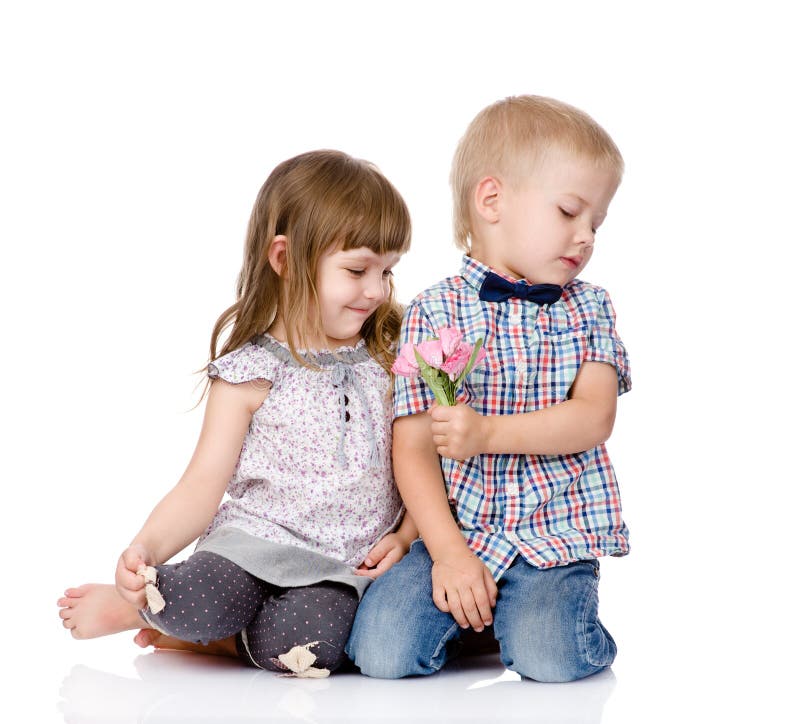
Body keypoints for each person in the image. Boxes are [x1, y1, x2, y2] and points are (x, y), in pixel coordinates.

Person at [58, 149, 417, 675]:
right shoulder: (249, 373)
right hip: (250, 549)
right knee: (199, 597)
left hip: (340, 566)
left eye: (387, 271)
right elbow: (202, 484)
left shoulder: (392, 358)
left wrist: (406, 535)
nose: (377, 290)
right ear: (286, 260)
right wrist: (144, 551)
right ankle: (142, 603)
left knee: (315, 645)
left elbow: (425, 465)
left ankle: (214, 642)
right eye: (358, 269)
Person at [346, 95, 631, 682]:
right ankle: (480, 621)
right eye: (570, 212)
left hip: (554, 535)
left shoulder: (591, 308)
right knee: (381, 652)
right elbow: (414, 449)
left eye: (595, 223)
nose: (585, 237)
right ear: (492, 199)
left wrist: (488, 433)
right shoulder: (432, 310)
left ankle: (553, 624)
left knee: (551, 659)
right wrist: (448, 554)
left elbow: (593, 417)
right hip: (457, 530)